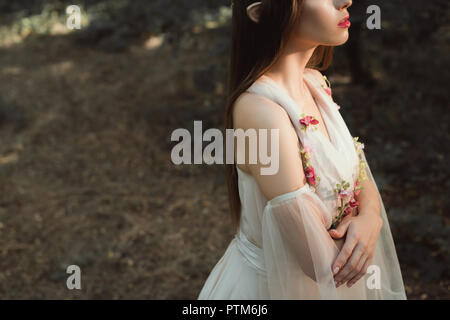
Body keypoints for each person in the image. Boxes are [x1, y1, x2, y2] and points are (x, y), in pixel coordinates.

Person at [198, 0, 406, 299]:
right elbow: (322, 264)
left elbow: (358, 172)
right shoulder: (260, 111)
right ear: (268, 10)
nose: (345, 1)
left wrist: (371, 217)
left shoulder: (315, 84)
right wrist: (365, 231)